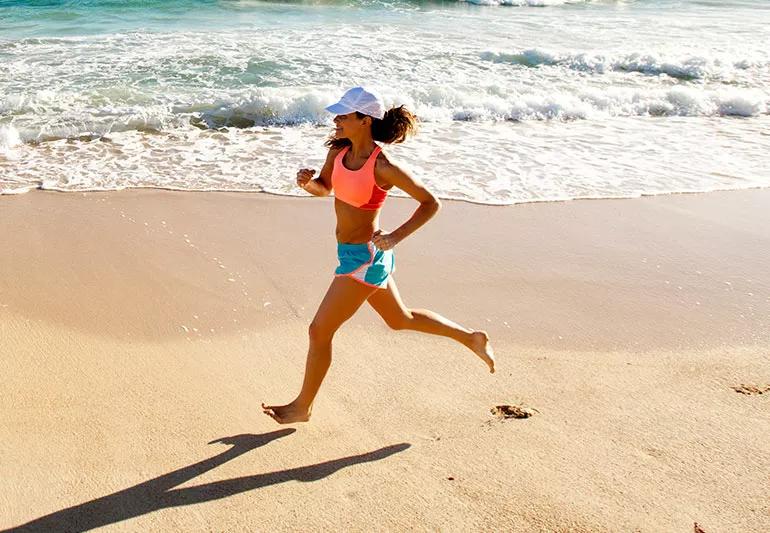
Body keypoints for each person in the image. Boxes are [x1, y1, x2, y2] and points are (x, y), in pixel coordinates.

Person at [262, 87, 495, 424]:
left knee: (319, 330)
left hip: (366, 260)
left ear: (365, 120)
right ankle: (471, 338)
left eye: (344, 115)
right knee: (401, 320)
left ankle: (303, 406)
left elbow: (430, 203)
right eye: (338, 114)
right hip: (350, 255)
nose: (337, 120)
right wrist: (307, 185)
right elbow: (325, 188)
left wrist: (396, 237)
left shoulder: (383, 166)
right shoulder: (339, 153)